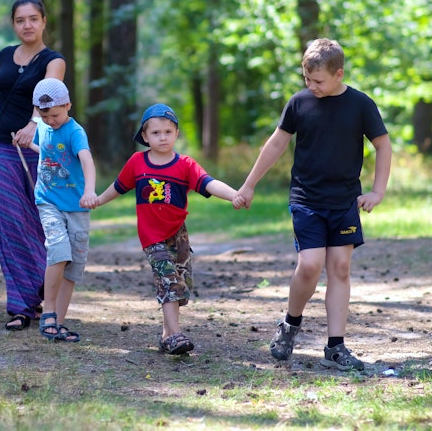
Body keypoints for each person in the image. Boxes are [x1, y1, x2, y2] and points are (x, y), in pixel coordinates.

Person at [233, 38, 392, 371]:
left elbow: (383, 145)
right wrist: (249, 185)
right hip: (306, 198)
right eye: (307, 79)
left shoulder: (360, 104)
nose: (311, 86)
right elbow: (275, 145)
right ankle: (290, 325)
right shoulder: (299, 103)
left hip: (344, 201)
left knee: (340, 269)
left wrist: (377, 191)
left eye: (318, 80)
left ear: (338, 74)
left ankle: (336, 347)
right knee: (309, 264)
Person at [86, 104, 238, 354]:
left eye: (168, 131)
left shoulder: (185, 165)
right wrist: (98, 200)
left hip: (178, 234)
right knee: (169, 281)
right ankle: (176, 335)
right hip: (151, 237)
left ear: (176, 133)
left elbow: (209, 184)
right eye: (155, 133)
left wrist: (235, 195)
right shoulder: (137, 162)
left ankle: (167, 335)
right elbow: (118, 186)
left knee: (181, 284)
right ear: (145, 137)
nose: (162, 137)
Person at [0, 0, 66, 331]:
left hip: (37, 146)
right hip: (1, 144)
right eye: (20, 20)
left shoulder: (53, 60)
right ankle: (20, 305)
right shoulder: (5, 54)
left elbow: (51, 93)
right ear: (13, 24)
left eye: (33, 19)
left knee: (35, 219)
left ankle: (40, 290)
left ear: (44, 21)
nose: (27, 25)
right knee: (7, 221)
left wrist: (34, 122)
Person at [28, 78, 97, 342]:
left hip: (77, 206)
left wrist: (89, 191)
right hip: (48, 201)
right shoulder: (43, 127)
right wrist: (28, 143)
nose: (51, 120)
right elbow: (47, 153)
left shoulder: (75, 131)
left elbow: (87, 161)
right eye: (45, 116)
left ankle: (58, 320)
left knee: (73, 264)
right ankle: (47, 312)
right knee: (57, 248)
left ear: (68, 105)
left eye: (55, 115)